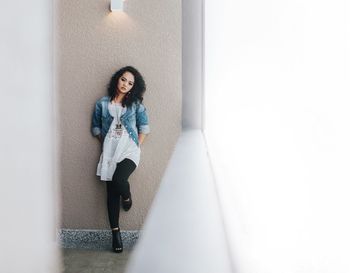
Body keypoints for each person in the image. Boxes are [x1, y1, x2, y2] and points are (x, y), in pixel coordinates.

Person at [91, 66, 150, 253]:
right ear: (117, 79)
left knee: (119, 180)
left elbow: (145, 128)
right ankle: (116, 234)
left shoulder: (136, 106)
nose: (125, 84)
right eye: (123, 79)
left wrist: (136, 145)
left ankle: (127, 196)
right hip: (110, 150)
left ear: (134, 87)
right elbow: (96, 127)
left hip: (129, 150)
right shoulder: (101, 103)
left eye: (130, 83)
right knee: (110, 193)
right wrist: (106, 142)